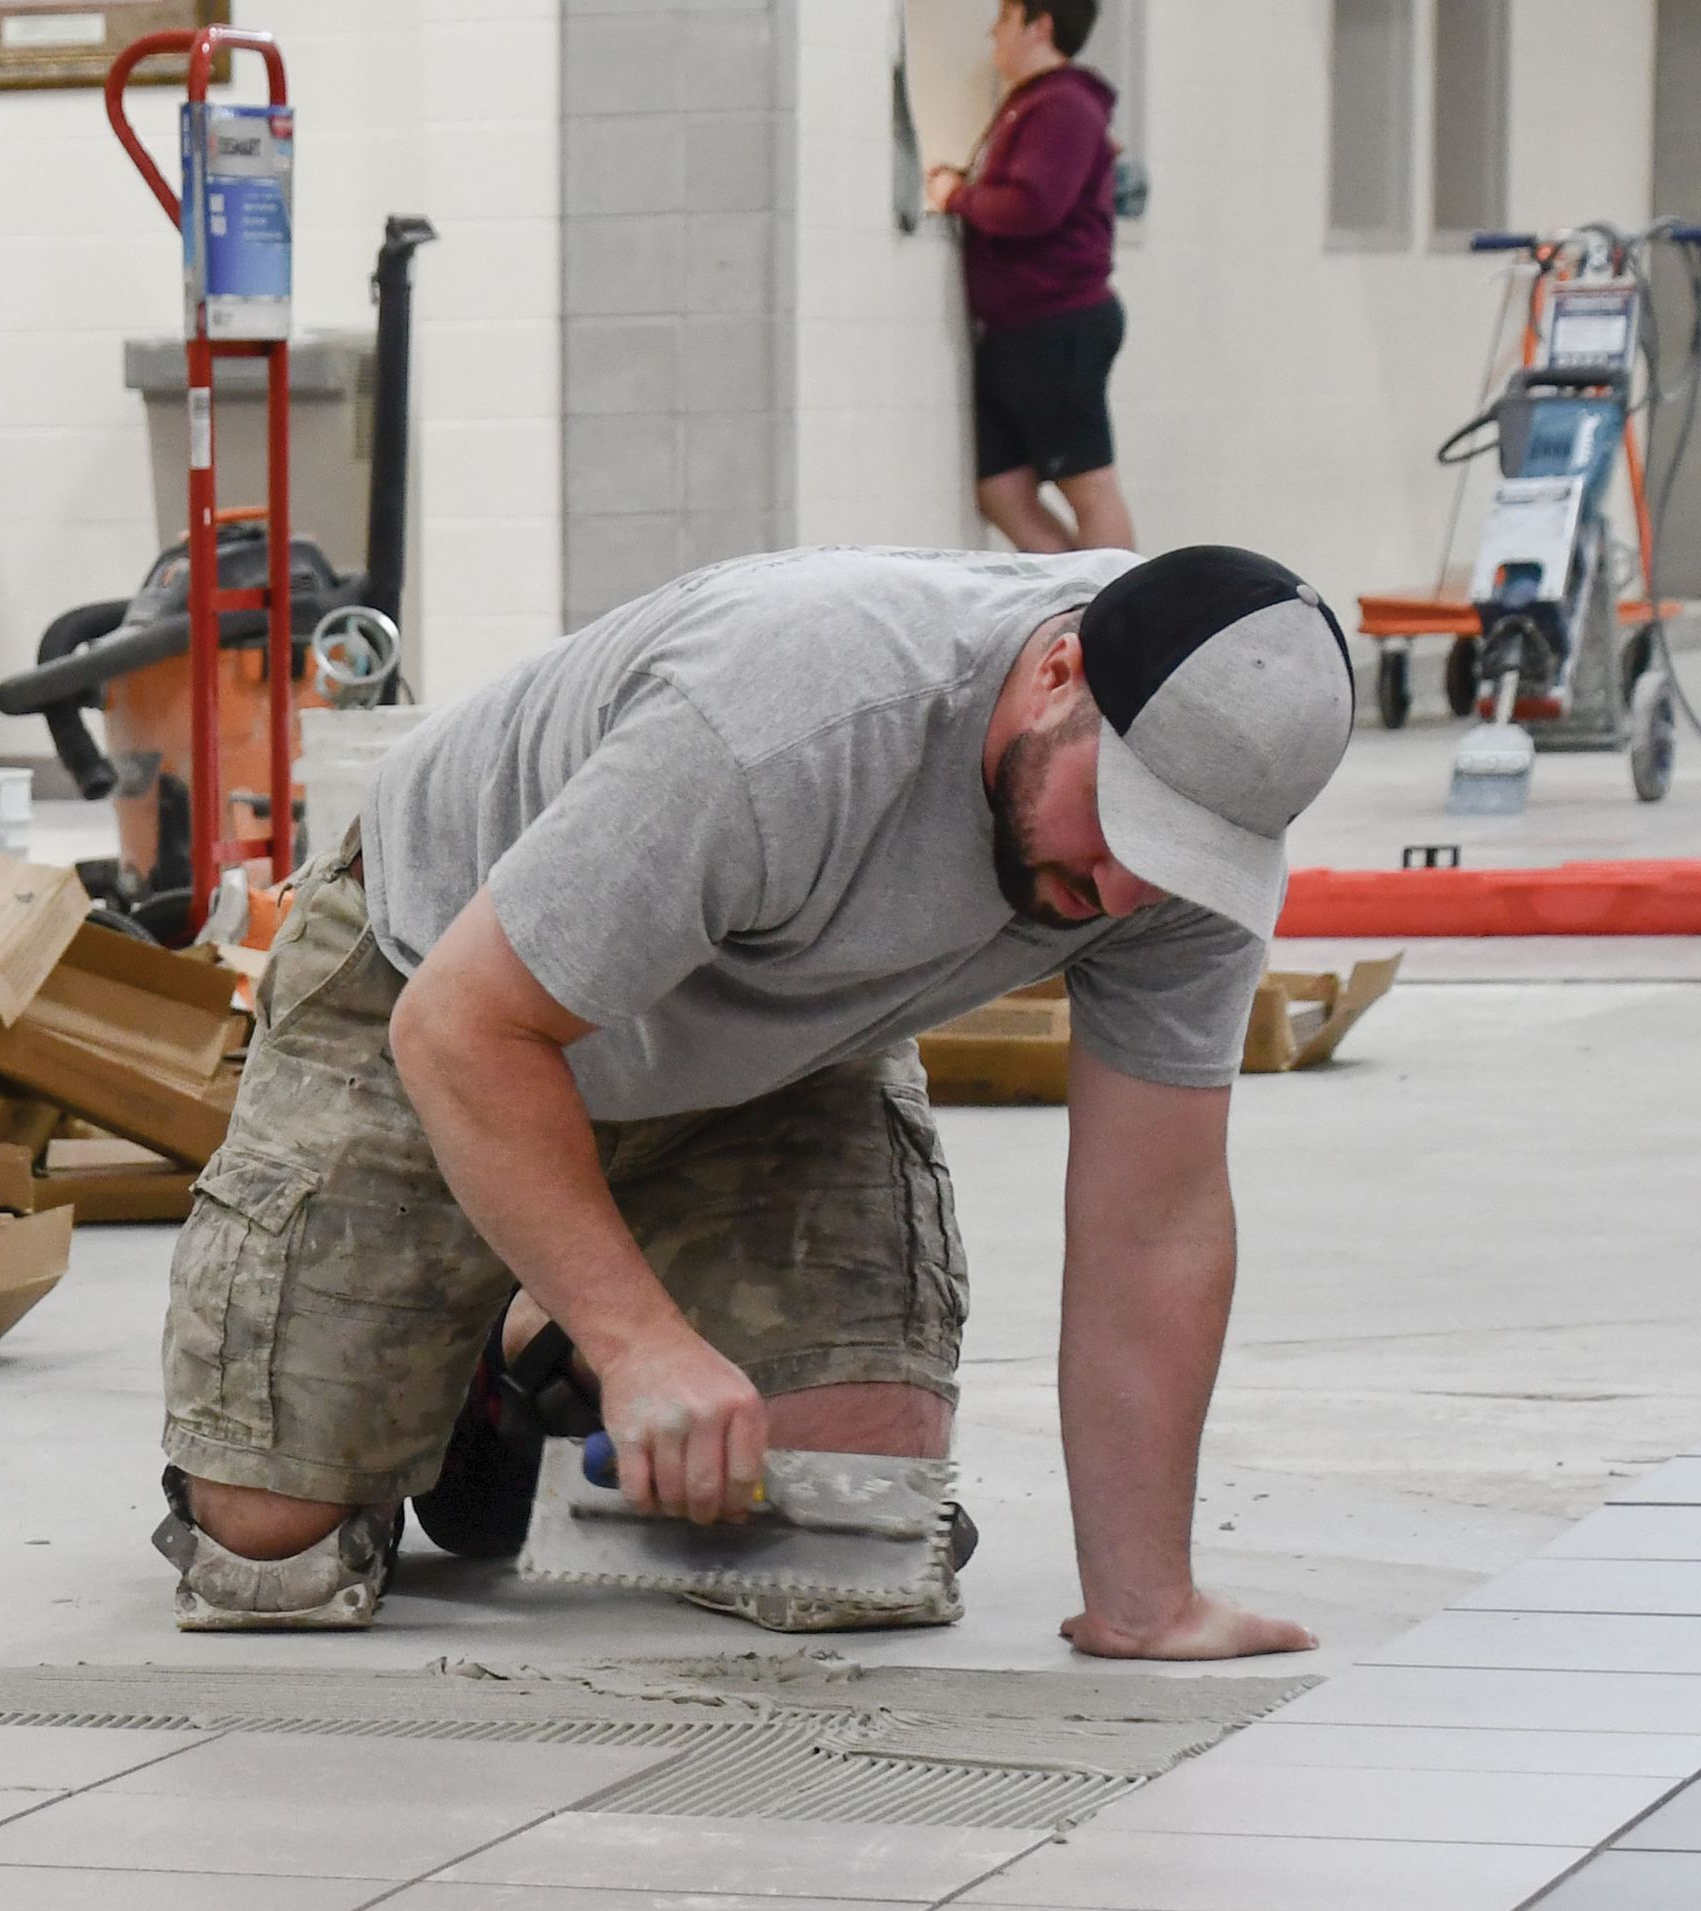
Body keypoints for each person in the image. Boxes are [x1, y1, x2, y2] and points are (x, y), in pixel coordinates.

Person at [155, 541, 1354, 1659]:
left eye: (1181, 855)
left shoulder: (1175, 871)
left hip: (770, 1060)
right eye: (1124, 819)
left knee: (850, 1542)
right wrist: (641, 1341)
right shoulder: (790, 716)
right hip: (438, 987)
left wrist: (1145, 1601)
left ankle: (534, 1366)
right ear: (1057, 671)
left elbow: (1155, 1216)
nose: (1129, 885)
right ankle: (509, 1331)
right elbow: (465, 1026)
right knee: (270, 1549)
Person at [926, 0, 1137, 556]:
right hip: (1017, 325)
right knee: (1000, 488)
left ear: (1040, 25)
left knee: (1087, 483)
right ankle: (1072, 605)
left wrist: (957, 196)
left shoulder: (1064, 104)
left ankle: (1122, 627)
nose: (992, 32)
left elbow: (1033, 206)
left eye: (1004, 18)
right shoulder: (1029, 103)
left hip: (1058, 318)